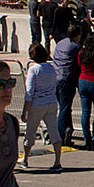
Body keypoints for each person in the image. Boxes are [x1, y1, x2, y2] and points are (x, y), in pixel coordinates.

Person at [18, 41, 62, 171]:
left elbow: (29, 92)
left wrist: (24, 111)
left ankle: (25, 159)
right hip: (51, 102)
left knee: (30, 132)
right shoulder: (52, 67)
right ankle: (57, 161)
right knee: (54, 131)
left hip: (37, 103)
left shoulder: (33, 69)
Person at [49, 27, 81, 147]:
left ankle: (68, 130)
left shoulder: (60, 43)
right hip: (66, 79)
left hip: (56, 76)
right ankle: (59, 135)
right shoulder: (75, 47)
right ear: (77, 35)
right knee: (64, 108)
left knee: (64, 107)